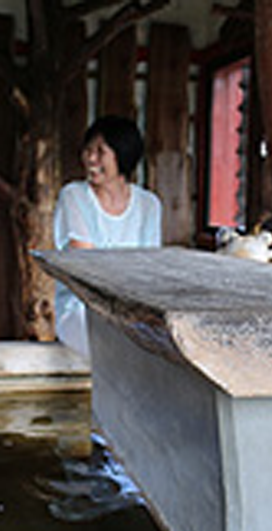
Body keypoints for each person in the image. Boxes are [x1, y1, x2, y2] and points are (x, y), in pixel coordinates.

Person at [53, 114, 162, 360]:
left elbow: (148, 269)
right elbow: (87, 266)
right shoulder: (74, 196)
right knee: (118, 342)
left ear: (122, 155)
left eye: (100, 151)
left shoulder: (148, 205)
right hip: (81, 310)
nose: (91, 159)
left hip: (132, 310)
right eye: (88, 150)